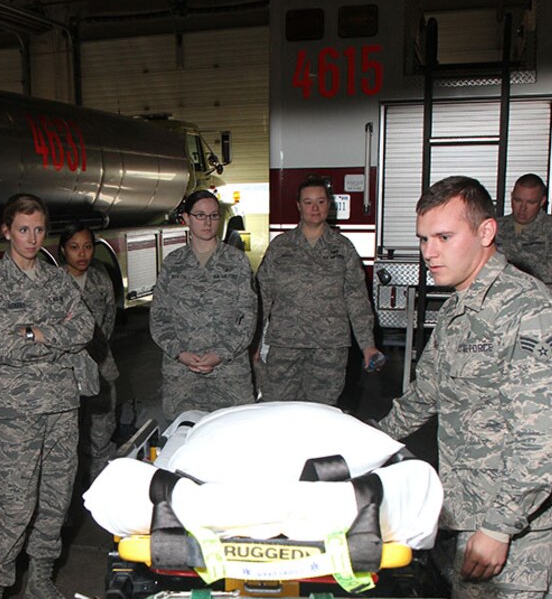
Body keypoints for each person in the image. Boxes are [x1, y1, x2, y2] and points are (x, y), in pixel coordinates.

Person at [378, 176, 552, 599]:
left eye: (444, 237)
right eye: (423, 239)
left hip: (517, 528)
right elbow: (424, 397)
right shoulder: (459, 308)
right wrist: (363, 443)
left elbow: (544, 439)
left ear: (487, 232)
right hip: (462, 512)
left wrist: (499, 525)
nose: (429, 252)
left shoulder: (531, 313)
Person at [0, 193, 95, 599]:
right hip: (15, 412)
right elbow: (2, 346)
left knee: (56, 499)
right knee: (15, 506)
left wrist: (35, 332)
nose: (32, 238)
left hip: (61, 405)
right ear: (7, 231)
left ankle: (40, 580)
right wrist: (52, 335)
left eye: (39, 229)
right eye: (23, 229)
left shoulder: (57, 279)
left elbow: (85, 327)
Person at [255, 176, 382, 405]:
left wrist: (368, 345)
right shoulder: (280, 246)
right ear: (298, 206)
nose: (315, 208)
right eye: (308, 202)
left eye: (321, 202)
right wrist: (254, 342)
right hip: (285, 346)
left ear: (329, 205)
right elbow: (262, 296)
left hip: (329, 349)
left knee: (321, 411)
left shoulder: (343, 248)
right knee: (276, 408)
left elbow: (357, 299)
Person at [150, 190, 256, 424]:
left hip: (229, 374)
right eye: (200, 215)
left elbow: (247, 317)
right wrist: (180, 352)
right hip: (182, 376)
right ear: (186, 218)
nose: (208, 222)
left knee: (234, 433)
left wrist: (221, 354)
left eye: (214, 216)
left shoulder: (236, 261)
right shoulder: (173, 263)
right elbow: (159, 317)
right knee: (184, 435)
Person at [60, 222, 119, 485]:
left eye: (87, 247)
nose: (82, 254)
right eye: (74, 247)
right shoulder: (52, 283)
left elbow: (109, 320)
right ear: (63, 250)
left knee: (101, 431)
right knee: (66, 438)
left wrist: (95, 352)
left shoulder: (100, 279)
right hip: (64, 371)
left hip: (99, 365)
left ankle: (99, 488)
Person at [495, 173, 552, 297]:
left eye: (530, 202)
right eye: (517, 200)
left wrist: (514, 267)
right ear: (511, 197)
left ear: (542, 201)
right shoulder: (496, 227)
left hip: (542, 301)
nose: (522, 208)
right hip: (503, 300)